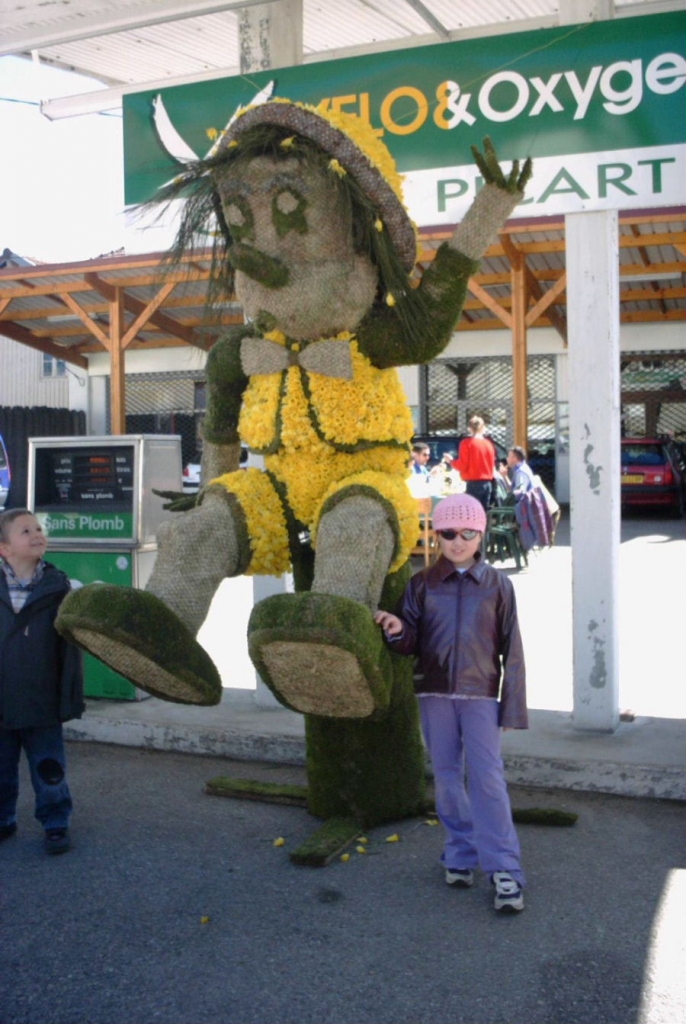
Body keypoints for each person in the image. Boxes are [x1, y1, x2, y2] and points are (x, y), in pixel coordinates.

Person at [374, 493, 528, 914]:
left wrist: (512, 705)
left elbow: (512, 648)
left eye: (467, 533)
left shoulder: (498, 585)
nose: (458, 541)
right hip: (434, 693)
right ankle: (460, 852)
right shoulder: (422, 584)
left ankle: (505, 870)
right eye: (448, 533)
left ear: (480, 534)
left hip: (480, 696)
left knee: (488, 778)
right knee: (445, 776)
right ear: (436, 534)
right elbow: (409, 642)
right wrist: (393, 628)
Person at [0, 509, 84, 854]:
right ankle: (4, 818)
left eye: (38, 528)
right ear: (4, 549)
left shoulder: (60, 587)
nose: (36, 534)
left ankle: (55, 822)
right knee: (1, 770)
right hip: (1, 700)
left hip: (42, 700)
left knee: (49, 768)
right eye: (24, 531)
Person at [452, 416, 497, 511]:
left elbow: (462, 465)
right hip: (487, 483)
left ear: (469, 429)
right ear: (483, 428)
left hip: (473, 483)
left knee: (472, 514)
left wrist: (451, 462)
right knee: (483, 514)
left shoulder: (466, 443)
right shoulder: (489, 444)